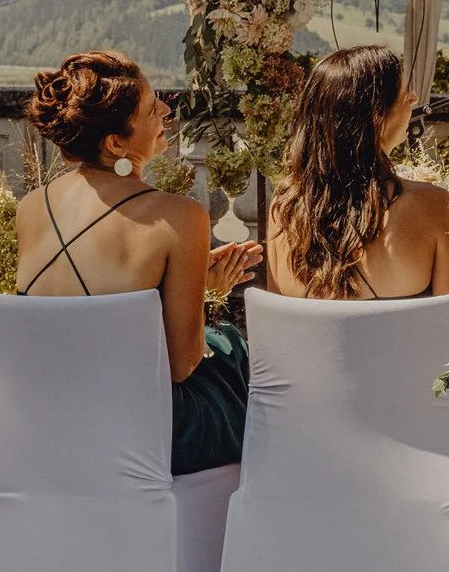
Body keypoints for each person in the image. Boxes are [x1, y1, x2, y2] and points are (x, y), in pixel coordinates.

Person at [266, 46, 449, 470]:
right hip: (421, 440)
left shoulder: (282, 211)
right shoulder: (434, 206)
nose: (414, 99)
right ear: (377, 116)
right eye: (404, 93)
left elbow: (279, 343)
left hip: (309, 433)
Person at [16, 52, 263, 474]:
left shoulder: (31, 206)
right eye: (153, 108)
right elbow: (180, 366)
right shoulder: (179, 217)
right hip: (147, 432)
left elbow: (86, 309)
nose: (167, 110)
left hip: (51, 420)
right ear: (116, 143)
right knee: (233, 348)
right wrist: (208, 297)